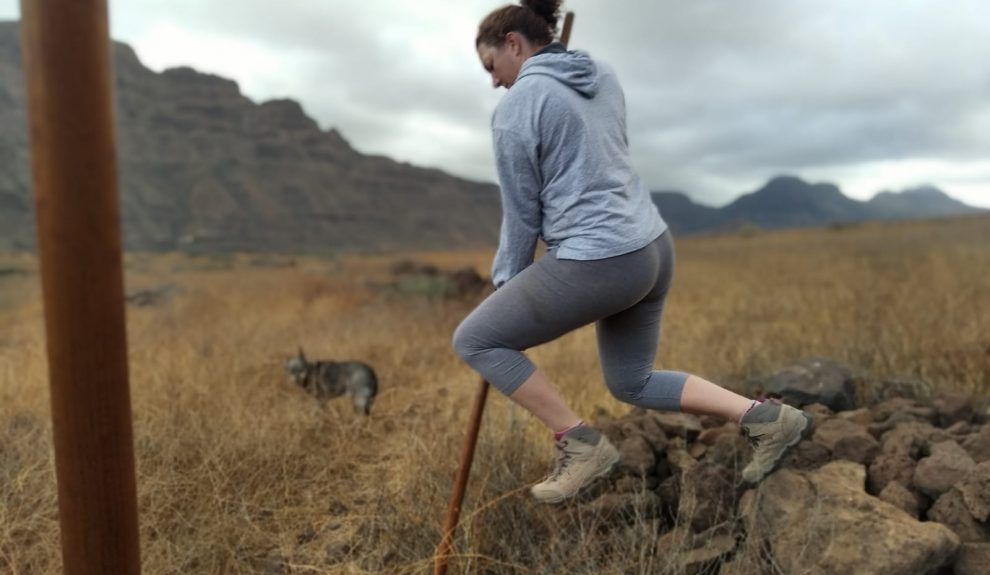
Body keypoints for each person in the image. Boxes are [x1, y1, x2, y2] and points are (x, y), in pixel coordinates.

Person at [453, 0, 812, 504]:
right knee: (632, 380)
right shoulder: (601, 73)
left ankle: (579, 444)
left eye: (491, 66)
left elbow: (522, 213)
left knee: (477, 339)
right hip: (651, 248)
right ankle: (769, 419)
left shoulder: (516, 108)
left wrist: (508, 281)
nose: (493, 81)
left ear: (514, 43)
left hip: (599, 256)